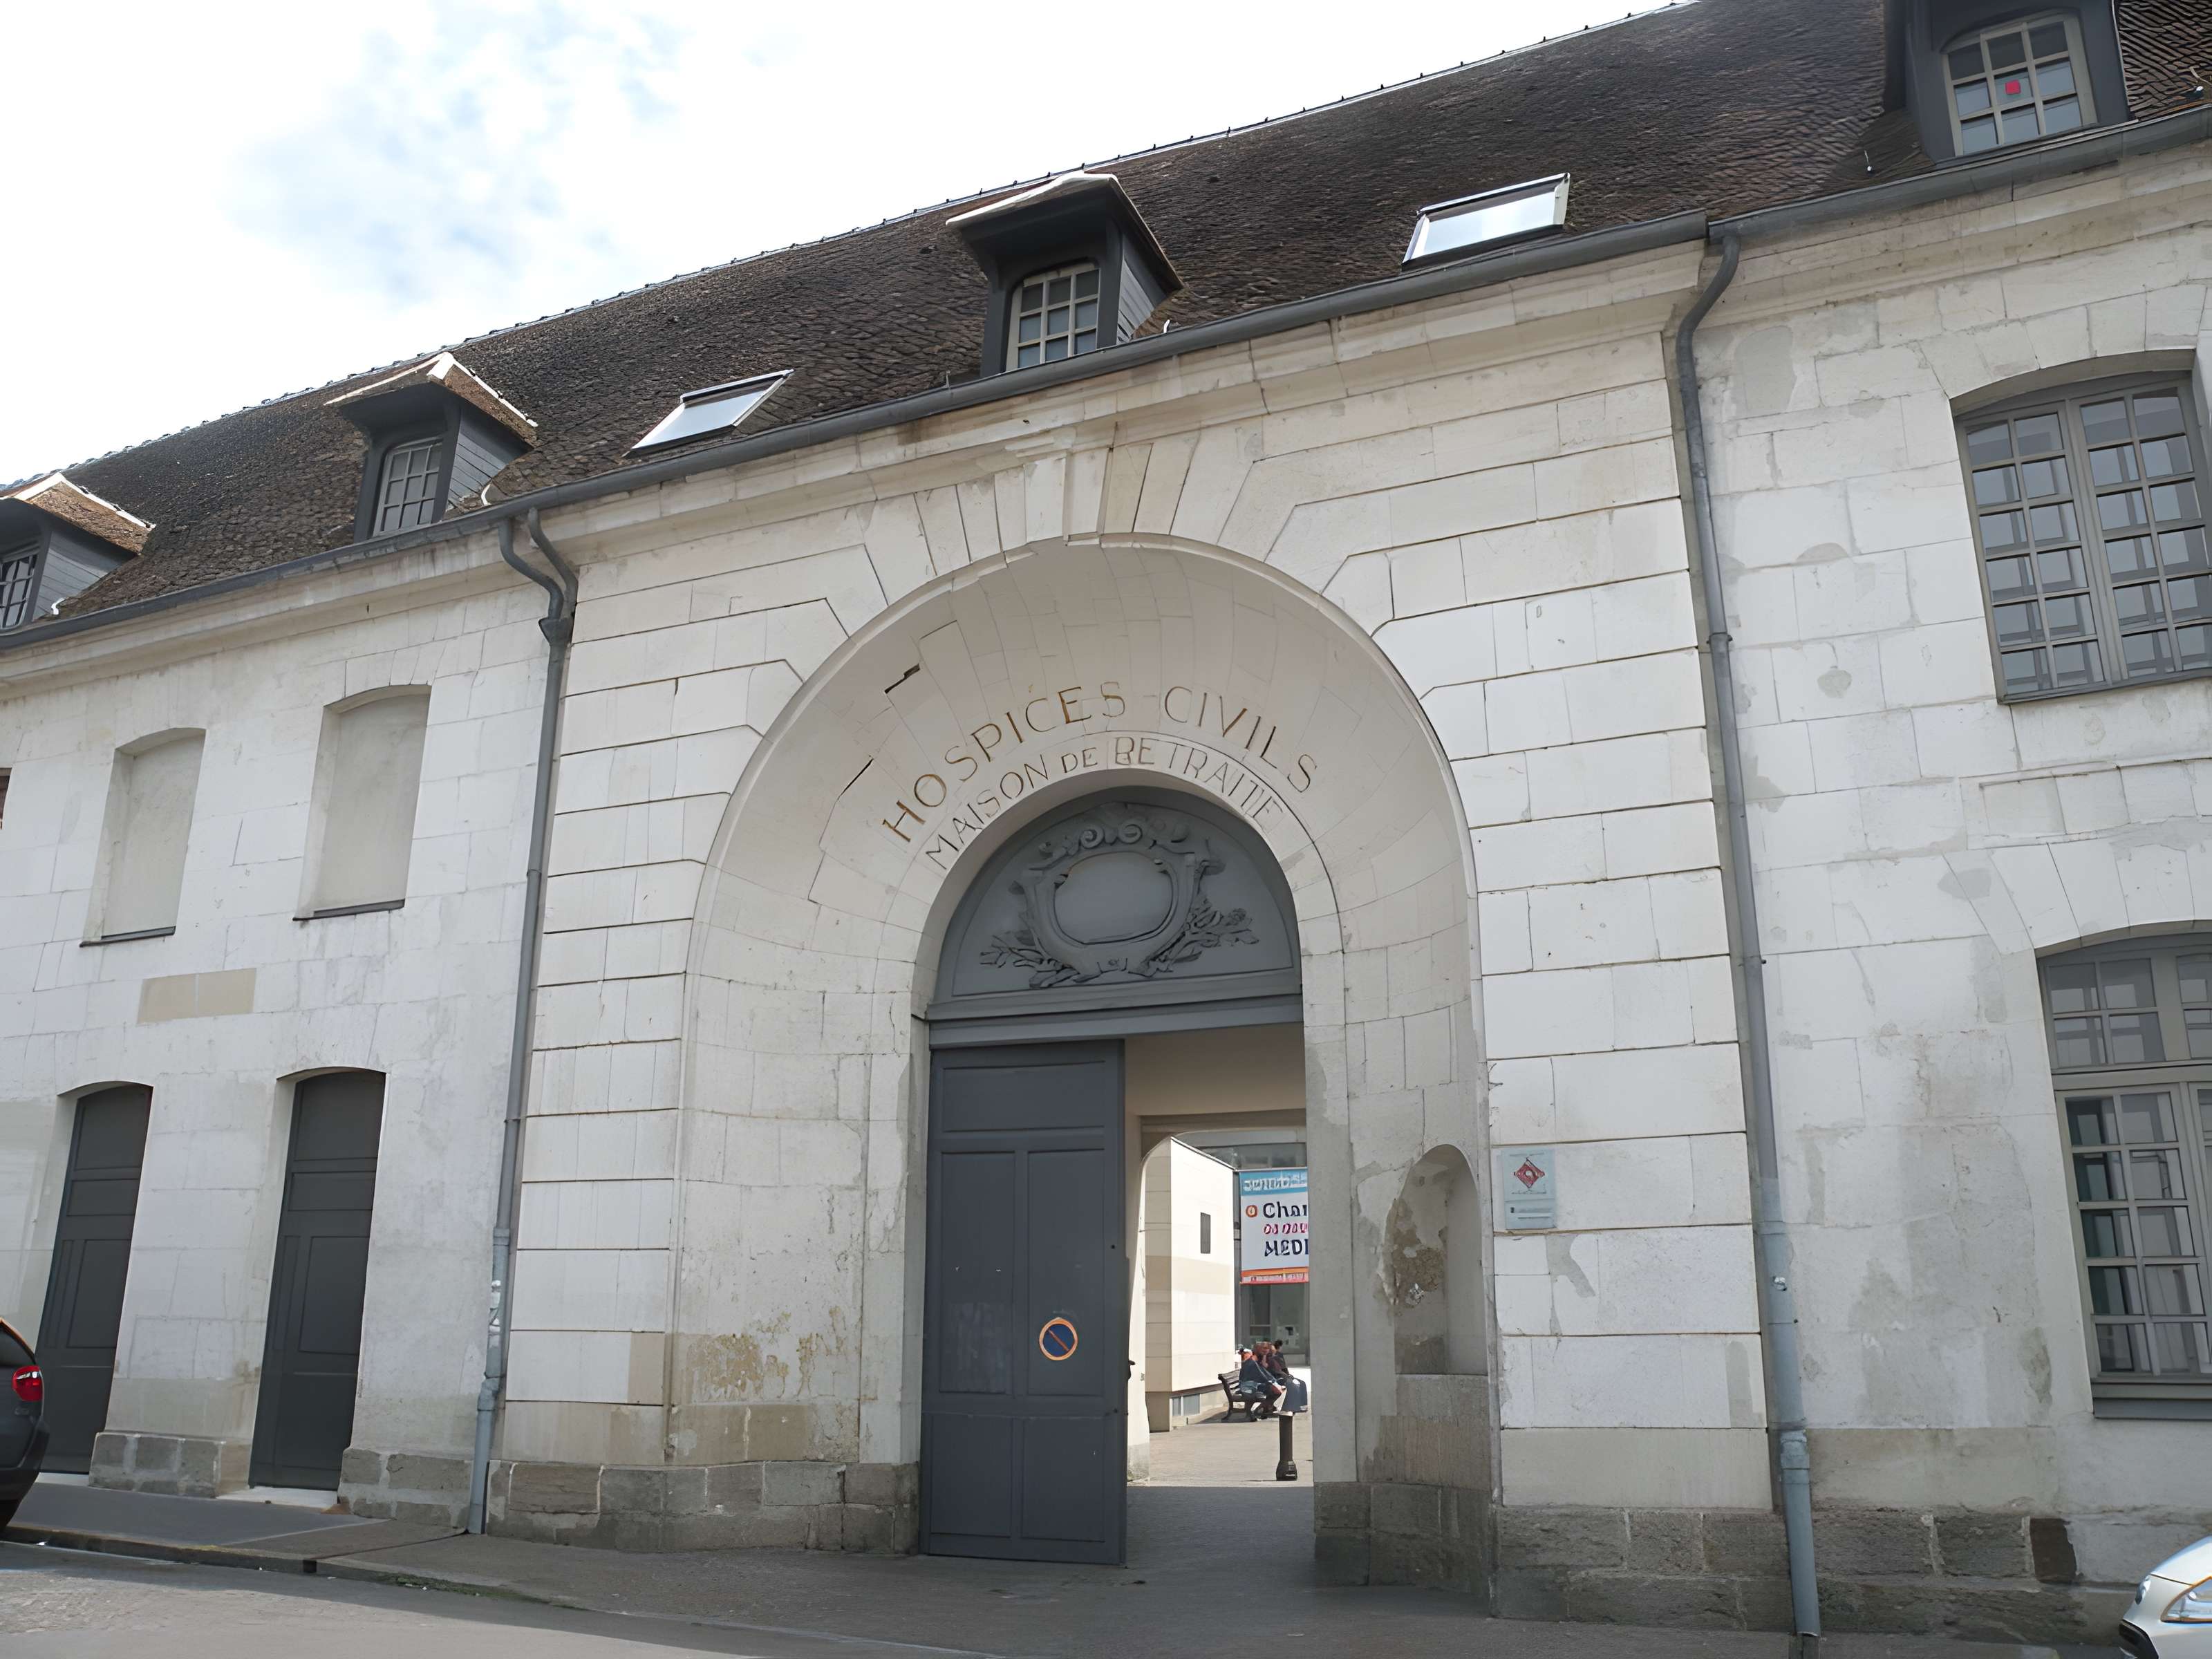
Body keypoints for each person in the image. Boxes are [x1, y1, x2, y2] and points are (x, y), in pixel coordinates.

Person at [1236, 1347, 1282, 1418]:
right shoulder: (1251, 1363)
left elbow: (1264, 1374)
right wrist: (1272, 1382)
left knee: (1274, 1389)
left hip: (1252, 1385)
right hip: (1249, 1388)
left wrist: (1272, 1381)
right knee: (1276, 1391)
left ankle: (1264, 1409)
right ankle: (1261, 1409)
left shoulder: (1252, 1362)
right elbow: (1262, 1376)